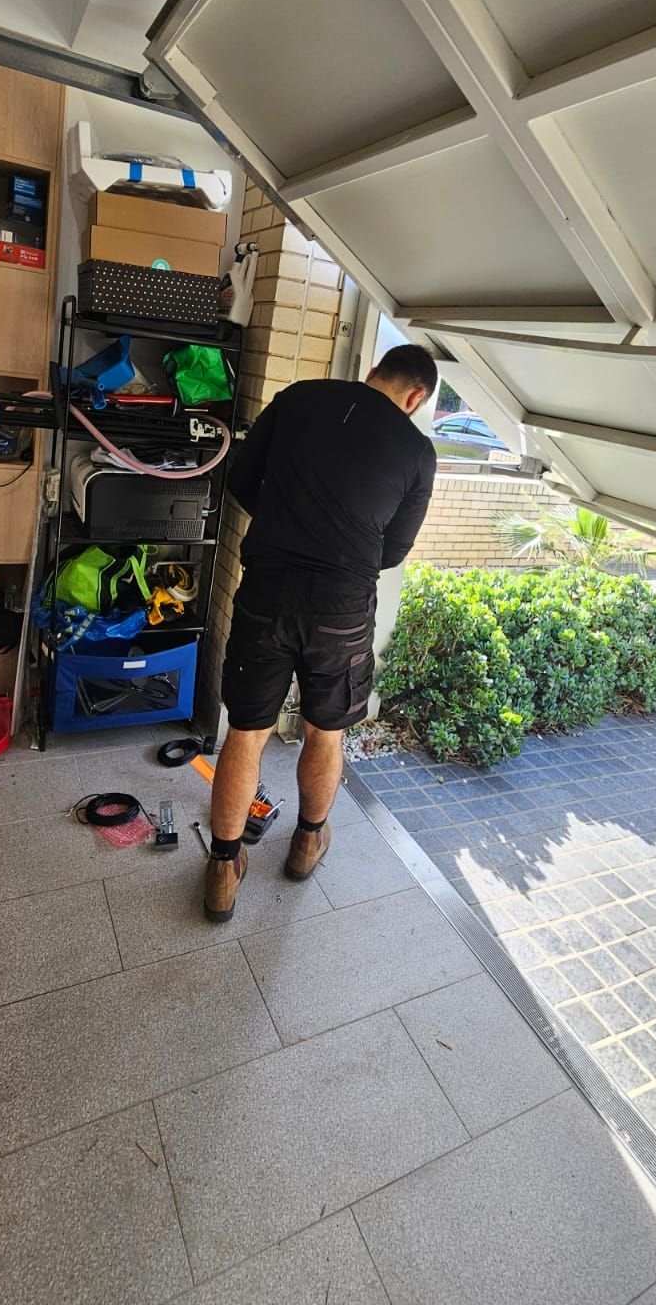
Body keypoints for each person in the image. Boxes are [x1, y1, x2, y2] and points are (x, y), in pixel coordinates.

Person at [203, 342, 438, 921]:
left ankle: (223, 870)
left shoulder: (300, 397)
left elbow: (241, 478)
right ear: (416, 397)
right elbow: (393, 551)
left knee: (246, 733)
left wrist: (289, 522)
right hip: (342, 607)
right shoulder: (417, 450)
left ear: (371, 375)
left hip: (268, 591)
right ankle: (308, 843)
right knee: (324, 732)